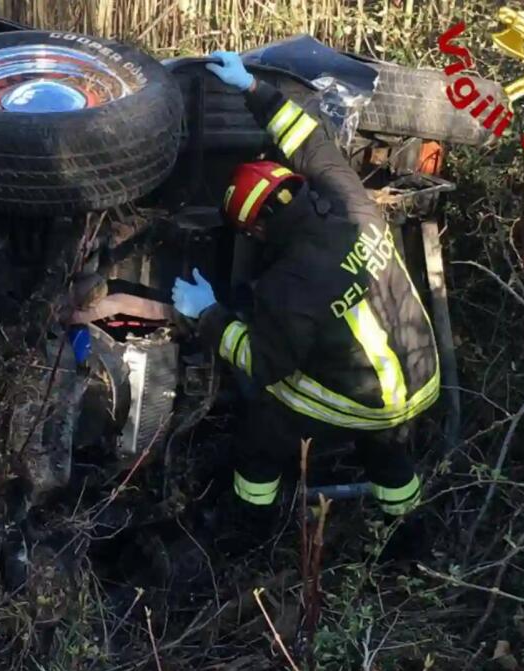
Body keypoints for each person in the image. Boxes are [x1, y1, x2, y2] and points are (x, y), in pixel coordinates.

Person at [172, 52, 440, 547]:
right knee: (388, 449)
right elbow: (310, 140)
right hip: (423, 379)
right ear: (293, 184)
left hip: (362, 402)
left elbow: (261, 362)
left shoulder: (288, 285)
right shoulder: (350, 202)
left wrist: (207, 314)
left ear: (253, 229)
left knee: (264, 421)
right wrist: (253, 88)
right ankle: (408, 537)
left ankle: (249, 531)